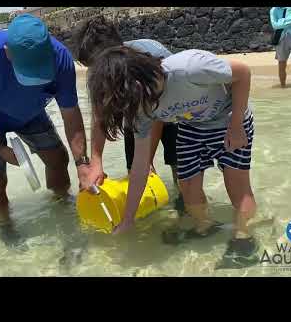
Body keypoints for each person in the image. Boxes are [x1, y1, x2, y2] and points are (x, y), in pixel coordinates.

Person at [86, 46, 260, 268]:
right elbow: (140, 166)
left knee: (236, 187)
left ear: (137, 85)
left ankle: (243, 239)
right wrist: (128, 218)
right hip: (191, 127)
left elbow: (243, 73)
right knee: (187, 186)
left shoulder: (190, 68)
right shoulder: (141, 109)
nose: (132, 111)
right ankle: (204, 227)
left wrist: (236, 124)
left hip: (228, 121)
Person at [0, 14, 93, 222]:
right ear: (8, 53)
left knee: (59, 158)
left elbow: (71, 114)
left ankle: (62, 208)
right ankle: (4, 229)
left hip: (31, 114)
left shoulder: (61, 58)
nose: (35, 77)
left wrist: (83, 164)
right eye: (29, 70)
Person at [70, 15, 185, 214]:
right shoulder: (95, 73)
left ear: (117, 49)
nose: (97, 72)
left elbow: (156, 113)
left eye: (98, 65)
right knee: (136, 171)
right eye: (92, 68)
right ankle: (150, 213)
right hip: (135, 114)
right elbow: (99, 116)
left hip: (171, 111)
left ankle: (185, 208)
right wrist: (96, 161)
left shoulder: (149, 54)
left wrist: (147, 158)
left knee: (181, 169)